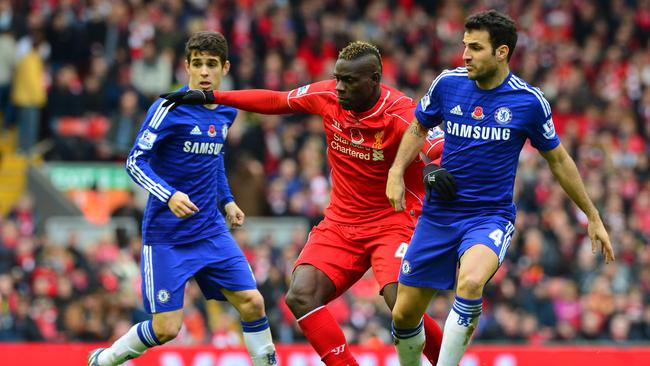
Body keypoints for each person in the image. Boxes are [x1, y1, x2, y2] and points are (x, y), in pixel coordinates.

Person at [161, 41, 451, 366]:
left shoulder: (399, 111)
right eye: (337, 78)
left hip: (394, 222)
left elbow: (439, 146)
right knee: (300, 295)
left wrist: (436, 170)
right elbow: (276, 100)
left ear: (374, 79)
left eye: (349, 81)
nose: (339, 87)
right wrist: (213, 96)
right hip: (341, 224)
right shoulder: (328, 95)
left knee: (403, 307)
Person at [385, 10, 616, 366]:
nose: (465, 55)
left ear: (502, 52)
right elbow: (418, 128)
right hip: (438, 216)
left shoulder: (528, 102)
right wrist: (397, 171)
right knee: (403, 316)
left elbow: (559, 160)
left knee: (471, 283)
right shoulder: (447, 84)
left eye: (475, 48)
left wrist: (592, 215)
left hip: (488, 217)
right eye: (465, 46)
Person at [88, 31, 277, 366]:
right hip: (167, 238)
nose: (204, 71)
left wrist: (227, 200)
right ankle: (104, 360)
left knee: (253, 302)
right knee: (166, 329)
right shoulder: (168, 107)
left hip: (210, 231)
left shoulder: (227, 111)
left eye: (212, 65)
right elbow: (134, 161)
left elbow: (214, 158)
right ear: (186, 67)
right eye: (198, 64)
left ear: (225, 68)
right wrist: (169, 194)